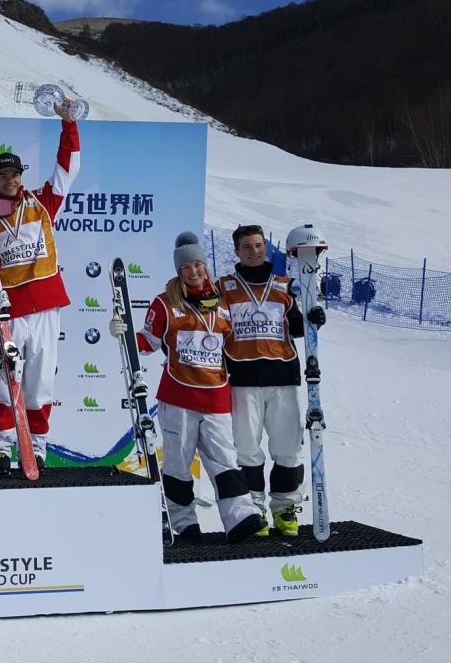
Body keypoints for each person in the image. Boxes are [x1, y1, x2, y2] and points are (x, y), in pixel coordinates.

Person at [109, 232, 266, 542]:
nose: (194, 272)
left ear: (205, 266)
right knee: (179, 463)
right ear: (178, 271)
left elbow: (236, 345)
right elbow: (149, 342)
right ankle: (184, 522)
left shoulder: (224, 303)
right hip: (178, 397)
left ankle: (241, 517)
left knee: (225, 460)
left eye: (198, 265)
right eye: (186, 268)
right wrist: (124, 333)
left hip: (217, 396)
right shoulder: (166, 304)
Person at [0, 102, 80, 476]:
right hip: (8, 310)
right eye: (3, 176)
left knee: (40, 382)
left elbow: (67, 169)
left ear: (21, 175)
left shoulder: (42, 204)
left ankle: (37, 446)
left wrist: (69, 125)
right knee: (2, 380)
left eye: (15, 174)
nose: (10, 181)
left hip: (47, 306)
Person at [218, 224, 326, 537]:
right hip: (242, 379)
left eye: (259, 245)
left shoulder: (285, 285)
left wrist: (314, 318)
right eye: (247, 247)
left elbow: (299, 328)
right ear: (237, 251)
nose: (254, 252)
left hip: (283, 377)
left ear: (265, 247)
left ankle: (285, 508)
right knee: (247, 450)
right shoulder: (223, 287)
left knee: (288, 448)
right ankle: (254, 511)